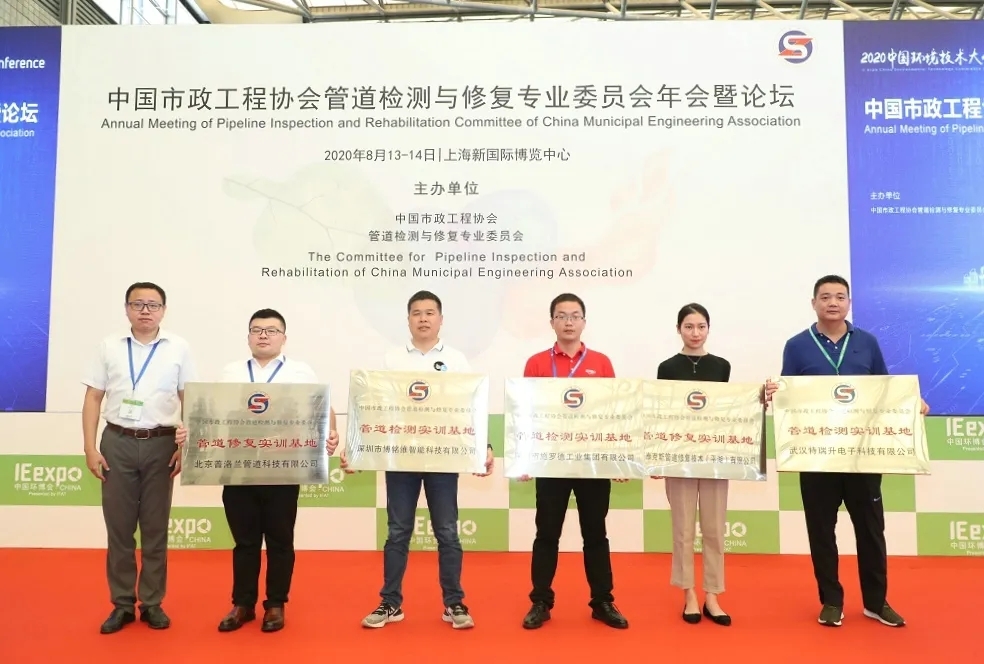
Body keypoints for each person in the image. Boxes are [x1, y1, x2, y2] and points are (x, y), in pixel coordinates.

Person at [771, 274, 930, 629]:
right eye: (825, 296)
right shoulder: (796, 346)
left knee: (871, 530)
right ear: (814, 303)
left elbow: (885, 389)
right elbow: (787, 395)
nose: (833, 302)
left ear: (849, 303)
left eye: (840, 296)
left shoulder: (867, 343)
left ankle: (876, 602)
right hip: (816, 456)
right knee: (821, 531)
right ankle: (831, 601)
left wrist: (911, 402)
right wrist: (772, 394)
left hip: (864, 454)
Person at [344, 290, 494, 630]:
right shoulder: (392, 359)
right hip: (402, 459)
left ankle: (454, 603)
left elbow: (470, 408)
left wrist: (482, 446)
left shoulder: (456, 360)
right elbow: (375, 406)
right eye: (416, 313)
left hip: (443, 459)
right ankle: (390, 603)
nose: (423, 318)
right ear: (408, 319)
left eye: (429, 312)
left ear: (441, 319)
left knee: (447, 533)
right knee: (398, 532)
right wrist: (356, 447)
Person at [216, 308, 339, 634]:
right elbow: (213, 414)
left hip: (284, 468)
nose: (263, 335)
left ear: (284, 337)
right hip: (239, 467)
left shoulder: (300, 372)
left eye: (271, 330)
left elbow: (322, 407)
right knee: (244, 541)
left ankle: (275, 604)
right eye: (257, 330)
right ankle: (242, 604)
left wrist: (331, 433)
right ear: (248, 337)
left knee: (280, 541)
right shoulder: (231, 372)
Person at [82, 282, 194, 634]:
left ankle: (152, 602)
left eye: (153, 305)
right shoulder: (109, 346)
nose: (145, 310)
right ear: (127, 308)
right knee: (119, 528)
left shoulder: (179, 347)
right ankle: (122, 604)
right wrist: (90, 447)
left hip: (162, 443)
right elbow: (93, 398)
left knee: (155, 527)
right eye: (138, 304)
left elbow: (189, 398)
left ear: (163, 310)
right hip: (118, 442)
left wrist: (185, 446)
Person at [519, 293, 628, 630]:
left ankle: (602, 601)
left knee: (595, 534)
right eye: (562, 316)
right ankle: (540, 601)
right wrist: (525, 458)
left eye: (575, 316)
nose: (568, 322)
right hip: (550, 463)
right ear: (552, 322)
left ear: (584, 322)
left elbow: (612, 414)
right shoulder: (537, 364)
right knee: (546, 534)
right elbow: (526, 415)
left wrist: (617, 460)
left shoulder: (601, 363)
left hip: (592, 464)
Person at [651, 303, 734, 626]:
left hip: (714, 459)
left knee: (714, 530)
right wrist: (658, 456)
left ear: (708, 329)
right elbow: (661, 414)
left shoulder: (722, 366)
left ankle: (713, 595)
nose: (695, 333)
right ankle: (689, 594)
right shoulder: (667, 367)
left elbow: (729, 411)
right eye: (689, 327)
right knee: (683, 530)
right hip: (679, 459)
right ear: (678, 330)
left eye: (701, 326)